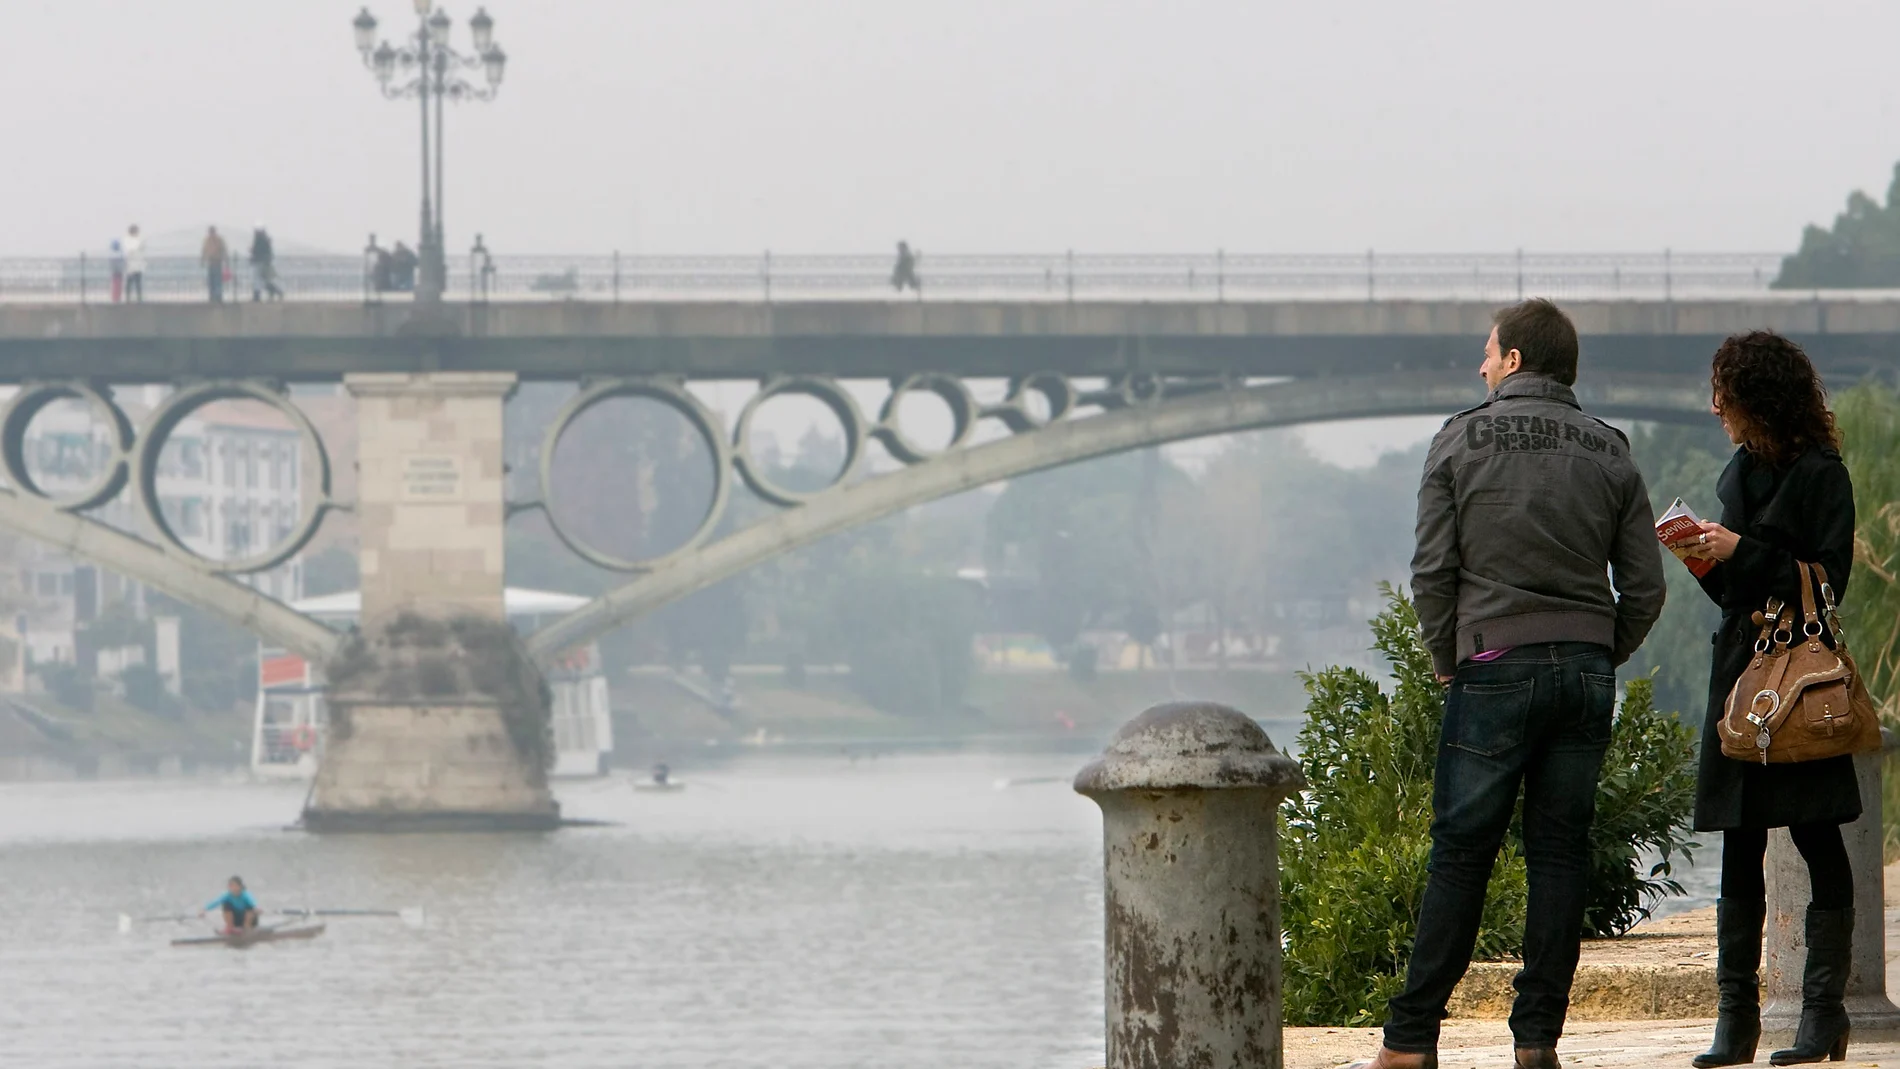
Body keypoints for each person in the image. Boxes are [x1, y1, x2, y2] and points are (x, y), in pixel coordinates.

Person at [1352, 299, 1667, 1069]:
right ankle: (1536, 1043)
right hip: (1586, 671)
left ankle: (1409, 1039)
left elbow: (1433, 571)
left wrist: (1445, 654)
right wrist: (1601, 649)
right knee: (1559, 853)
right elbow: (1647, 587)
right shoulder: (1612, 451)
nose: (1481, 365)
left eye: (1489, 352)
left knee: (1462, 853)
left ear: (1517, 359)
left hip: (1492, 664)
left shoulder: (1459, 439)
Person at [1667, 330, 1859, 1068]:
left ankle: (1823, 1014)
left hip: (1801, 682)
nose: (1716, 408)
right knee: (1737, 845)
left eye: (1727, 396)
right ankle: (1735, 1021)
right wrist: (1700, 555)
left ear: (1759, 399)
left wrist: (1740, 550)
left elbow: (1829, 579)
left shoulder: (1822, 475)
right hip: (1741, 682)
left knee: (1817, 837)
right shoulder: (1738, 470)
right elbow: (1733, 586)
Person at [250, 223, 283, 301]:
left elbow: (257, 251)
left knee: (257, 279)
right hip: (263, 262)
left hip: (259, 262)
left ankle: (257, 295)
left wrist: (252, 252)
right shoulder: (265, 240)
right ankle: (276, 291)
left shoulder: (259, 240)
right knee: (263, 280)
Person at [201, 226, 229, 303]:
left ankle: (217, 296)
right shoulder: (208, 240)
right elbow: (204, 251)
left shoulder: (217, 240)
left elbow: (224, 250)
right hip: (212, 262)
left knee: (216, 280)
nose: (211, 233)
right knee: (213, 281)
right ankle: (214, 296)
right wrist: (203, 260)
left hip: (216, 262)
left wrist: (226, 261)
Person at [123, 225, 145, 302]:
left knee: (137, 284)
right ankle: (128, 299)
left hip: (137, 266)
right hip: (131, 266)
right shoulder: (127, 240)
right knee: (130, 283)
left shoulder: (138, 240)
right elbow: (130, 250)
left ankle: (139, 299)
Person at [108, 239, 125, 303]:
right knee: (118, 286)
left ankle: (115, 298)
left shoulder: (111, 254)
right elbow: (123, 262)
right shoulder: (120, 253)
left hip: (115, 272)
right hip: (118, 272)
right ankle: (117, 298)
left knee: (115, 286)